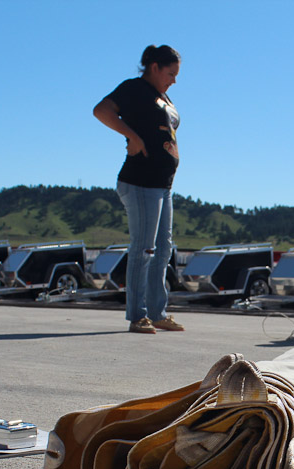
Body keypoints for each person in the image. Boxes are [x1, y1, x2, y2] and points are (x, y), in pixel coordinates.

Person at [93, 45, 185, 334]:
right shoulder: (135, 88)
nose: (174, 80)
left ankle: (158, 312)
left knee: (162, 250)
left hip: (162, 185)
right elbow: (102, 110)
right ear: (154, 67)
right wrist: (131, 136)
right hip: (141, 181)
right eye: (170, 73)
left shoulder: (162, 96)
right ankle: (137, 315)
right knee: (143, 249)